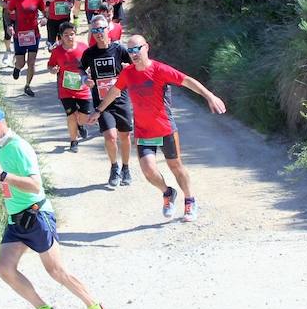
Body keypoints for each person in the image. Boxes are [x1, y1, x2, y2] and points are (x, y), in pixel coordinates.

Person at [0, 107, 105, 309]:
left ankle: (95, 307)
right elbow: (10, 182)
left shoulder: (18, 147)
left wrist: (3, 176)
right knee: (4, 268)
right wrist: (2, 180)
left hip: (36, 215)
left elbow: (35, 185)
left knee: (56, 271)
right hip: (16, 219)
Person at [87, 36, 227, 221]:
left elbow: (187, 80)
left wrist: (209, 96)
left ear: (146, 48)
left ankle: (189, 199)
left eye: (137, 49)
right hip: (144, 132)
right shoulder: (128, 73)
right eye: (130, 51)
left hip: (165, 129)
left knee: (176, 166)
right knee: (148, 171)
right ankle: (168, 192)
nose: (134, 54)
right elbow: (115, 91)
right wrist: (98, 110)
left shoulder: (160, 70)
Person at [81, 15, 134, 187]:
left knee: (124, 135)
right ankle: (114, 167)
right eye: (94, 30)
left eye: (101, 29)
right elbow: (81, 68)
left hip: (121, 99)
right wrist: (84, 79)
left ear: (108, 29)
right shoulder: (89, 53)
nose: (98, 33)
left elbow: (135, 64)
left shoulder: (119, 50)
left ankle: (126, 167)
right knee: (110, 136)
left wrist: (129, 71)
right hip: (102, 102)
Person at [47, 22, 92, 152]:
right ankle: (73, 141)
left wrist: (89, 73)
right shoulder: (57, 51)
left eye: (72, 34)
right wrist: (53, 70)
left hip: (83, 89)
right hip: (65, 90)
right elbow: (50, 65)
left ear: (75, 34)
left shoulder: (84, 48)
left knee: (83, 118)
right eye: (66, 35)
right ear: (60, 36)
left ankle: (81, 125)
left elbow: (90, 64)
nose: (69, 37)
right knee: (71, 115)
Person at [7, 0, 46, 97]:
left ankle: (27, 86)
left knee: (31, 62)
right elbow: (8, 13)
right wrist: (9, 26)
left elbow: (45, 12)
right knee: (21, 63)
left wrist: (45, 18)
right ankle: (17, 68)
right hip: (20, 35)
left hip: (34, 34)